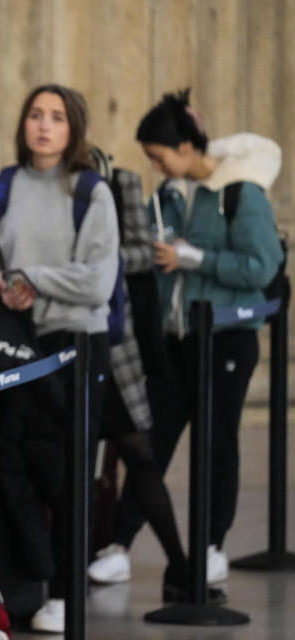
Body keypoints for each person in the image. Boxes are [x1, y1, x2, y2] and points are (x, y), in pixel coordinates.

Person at [99, 89, 283, 588]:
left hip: (226, 338)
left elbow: (263, 266)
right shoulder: (168, 196)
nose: (155, 165)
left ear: (185, 146)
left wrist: (193, 258)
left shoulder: (240, 193)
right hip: (175, 341)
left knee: (216, 439)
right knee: (151, 441)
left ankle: (213, 543)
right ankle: (119, 543)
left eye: (159, 155)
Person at [0, 84, 119, 634]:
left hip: (76, 343)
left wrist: (33, 279)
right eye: (35, 115)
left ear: (73, 127)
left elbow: (97, 280)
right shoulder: (1, 186)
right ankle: (35, 579)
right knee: (10, 461)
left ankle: (66, 590)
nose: (44, 126)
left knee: (67, 470)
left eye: (56, 117)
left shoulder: (91, 190)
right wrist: (1, 284)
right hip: (14, 338)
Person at [84, 146, 224, 604]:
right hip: (53, 341)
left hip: (114, 341)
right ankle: (67, 572)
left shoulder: (117, 180)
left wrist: (97, 258)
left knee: (139, 451)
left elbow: (143, 255)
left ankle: (180, 568)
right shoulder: (24, 186)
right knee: (71, 458)